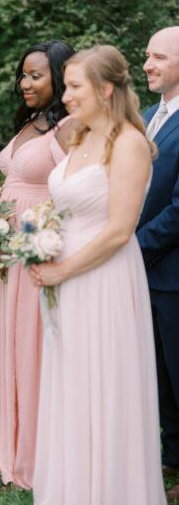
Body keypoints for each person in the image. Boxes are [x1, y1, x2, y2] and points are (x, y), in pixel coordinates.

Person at [30, 45, 166, 505]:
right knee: (71, 384)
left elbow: (119, 230)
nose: (65, 96)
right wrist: (35, 242)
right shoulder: (76, 137)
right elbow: (62, 205)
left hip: (103, 278)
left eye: (73, 87)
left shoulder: (128, 142)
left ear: (105, 89)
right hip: (64, 278)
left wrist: (63, 269)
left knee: (104, 386)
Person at [0, 40, 75, 487]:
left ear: (60, 77)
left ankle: (41, 450)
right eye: (23, 75)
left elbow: (73, 195)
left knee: (38, 345)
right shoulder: (30, 122)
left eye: (36, 75)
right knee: (14, 342)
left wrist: (33, 242)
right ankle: (13, 442)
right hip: (10, 253)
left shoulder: (70, 129)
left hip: (42, 249)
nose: (25, 83)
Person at [137, 26, 179, 504]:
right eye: (148, 55)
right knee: (158, 372)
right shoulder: (149, 116)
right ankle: (171, 454)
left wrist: (134, 246)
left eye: (159, 57)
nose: (147, 64)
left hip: (171, 271)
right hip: (142, 272)